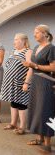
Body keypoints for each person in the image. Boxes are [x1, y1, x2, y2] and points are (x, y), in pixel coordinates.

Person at [23, 25, 55, 153]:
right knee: (36, 109)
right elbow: (31, 68)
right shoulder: (36, 48)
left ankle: (48, 144)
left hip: (47, 83)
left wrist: (35, 65)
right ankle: (39, 138)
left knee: (46, 111)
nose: (34, 35)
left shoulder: (51, 48)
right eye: (34, 32)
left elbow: (53, 68)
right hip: (36, 82)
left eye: (37, 32)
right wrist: (26, 82)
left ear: (45, 34)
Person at [0, 33, 32, 135]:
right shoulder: (14, 51)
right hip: (11, 82)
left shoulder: (28, 51)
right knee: (13, 102)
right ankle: (13, 123)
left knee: (21, 104)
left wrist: (26, 82)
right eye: (14, 39)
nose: (14, 41)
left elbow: (31, 68)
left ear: (24, 41)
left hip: (21, 82)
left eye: (17, 39)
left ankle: (22, 126)